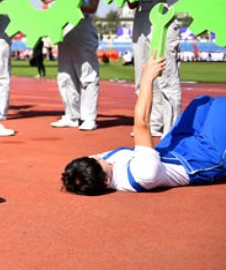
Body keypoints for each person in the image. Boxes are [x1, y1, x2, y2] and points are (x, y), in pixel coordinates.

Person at [61, 56, 225, 194]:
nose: (97, 156)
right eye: (97, 160)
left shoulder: (97, 166)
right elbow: (141, 124)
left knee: (202, 102)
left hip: (170, 149)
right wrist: (147, 77)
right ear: (106, 181)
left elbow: (89, 165)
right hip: (200, 158)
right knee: (222, 105)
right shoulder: (142, 174)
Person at [30, 0, 101, 130]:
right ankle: (71, 115)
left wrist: (68, 5)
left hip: (82, 26)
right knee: (65, 74)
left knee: (87, 74)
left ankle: (89, 118)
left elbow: (92, 7)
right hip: (65, 28)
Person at [129, 0, 185, 136]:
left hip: (164, 26)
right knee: (143, 75)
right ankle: (148, 123)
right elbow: (132, 3)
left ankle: (171, 127)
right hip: (141, 25)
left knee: (166, 77)